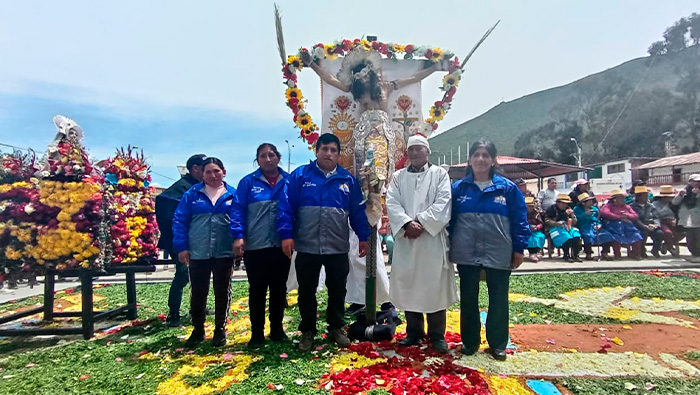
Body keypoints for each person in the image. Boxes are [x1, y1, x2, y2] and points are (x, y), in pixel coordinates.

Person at [277, 133, 370, 352]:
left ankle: (336, 328)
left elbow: (357, 212)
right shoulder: (300, 176)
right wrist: (286, 235)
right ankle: (308, 330)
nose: (329, 153)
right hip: (307, 246)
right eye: (325, 149)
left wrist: (363, 236)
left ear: (338, 155)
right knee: (306, 290)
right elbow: (285, 207)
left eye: (333, 150)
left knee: (337, 289)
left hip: (337, 247)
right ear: (316, 151)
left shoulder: (348, 181)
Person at [450, 140, 529, 361]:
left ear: (494, 160)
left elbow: (520, 219)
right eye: (476, 154)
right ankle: (470, 341)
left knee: (499, 299)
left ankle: (498, 344)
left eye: (486, 155)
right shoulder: (458, 189)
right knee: (468, 299)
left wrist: (519, 248)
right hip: (466, 252)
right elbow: (449, 221)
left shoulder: (508, 188)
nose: (481, 159)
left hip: (499, 251)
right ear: (470, 159)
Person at [386, 135, 457, 353]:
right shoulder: (398, 177)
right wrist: (407, 224)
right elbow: (392, 202)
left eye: (419, 149)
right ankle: (414, 332)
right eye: (412, 150)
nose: (415, 153)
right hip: (408, 241)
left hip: (432, 242)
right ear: (407, 153)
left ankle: (437, 335)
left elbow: (444, 203)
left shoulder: (440, 174)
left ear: (428, 151)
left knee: (433, 287)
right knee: (410, 285)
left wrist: (420, 223)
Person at [230, 144, 291, 349]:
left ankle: (277, 330)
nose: (268, 159)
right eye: (263, 156)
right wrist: (238, 236)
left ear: (278, 157)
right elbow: (237, 210)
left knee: (278, 289)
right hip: (255, 247)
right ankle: (257, 333)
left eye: (271, 155)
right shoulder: (248, 183)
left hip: (281, 246)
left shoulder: (290, 181)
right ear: (257, 160)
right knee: (257, 290)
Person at [173, 157, 236, 347]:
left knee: (222, 291)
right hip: (198, 252)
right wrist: (182, 247)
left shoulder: (233, 194)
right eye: (208, 171)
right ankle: (198, 328)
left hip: (223, 252)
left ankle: (219, 329)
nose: (213, 175)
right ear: (202, 174)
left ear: (224, 171)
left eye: (216, 171)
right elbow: (179, 221)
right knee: (198, 291)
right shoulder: (192, 194)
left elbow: (240, 221)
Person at [155, 154, 205, 327]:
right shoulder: (180, 189)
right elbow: (171, 216)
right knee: (182, 276)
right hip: (183, 243)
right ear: (195, 168)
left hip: (200, 241)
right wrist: (178, 242)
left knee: (199, 277)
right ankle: (173, 313)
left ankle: (198, 308)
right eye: (204, 167)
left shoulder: (201, 186)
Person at [600, 189, 643, 260]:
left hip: (628, 227)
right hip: (614, 226)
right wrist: (619, 217)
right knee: (615, 236)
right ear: (615, 199)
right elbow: (605, 213)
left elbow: (635, 215)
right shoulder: (608, 206)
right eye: (621, 198)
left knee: (637, 236)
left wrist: (628, 216)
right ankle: (617, 254)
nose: (623, 199)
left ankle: (635, 254)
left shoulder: (627, 207)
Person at [573, 193, 615, 260]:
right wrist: (585, 214)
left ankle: (605, 252)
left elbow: (598, 218)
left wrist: (599, 224)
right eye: (589, 201)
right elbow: (577, 218)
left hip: (594, 225)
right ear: (583, 203)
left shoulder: (595, 209)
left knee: (607, 234)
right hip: (584, 225)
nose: (591, 202)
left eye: (591, 200)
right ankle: (588, 253)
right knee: (587, 236)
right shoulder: (577, 209)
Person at [544, 194, 582, 262]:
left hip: (567, 227)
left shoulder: (568, 209)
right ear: (558, 202)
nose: (565, 205)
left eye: (566, 204)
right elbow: (547, 221)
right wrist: (556, 223)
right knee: (566, 237)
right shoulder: (551, 209)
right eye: (563, 203)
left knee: (576, 235)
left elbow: (574, 222)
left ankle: (576, 255)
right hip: (554, 228)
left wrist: (572, 215)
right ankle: (566, 255)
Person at [672, 174, 700, 262]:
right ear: (690, 182)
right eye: (695, 181)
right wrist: (680, 195)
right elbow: (674, 203)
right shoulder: (685, 191)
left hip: (698, 219)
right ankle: (694, 254)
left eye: (698, 182)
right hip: (687, 219)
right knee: (690, 239)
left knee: (698, 238)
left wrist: (698, 194)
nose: (697, 183)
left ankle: (698, 255)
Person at [630, 186, 663, 258]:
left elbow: (656, 217)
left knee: (660, 233)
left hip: (651, 225)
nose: (646, 197)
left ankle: (655, 249)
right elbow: (636, 220)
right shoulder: (632, 207)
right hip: (639, 226)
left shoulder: (651, 206)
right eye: (644, 195)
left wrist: (656, 225)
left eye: (647, 195)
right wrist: (645, 227)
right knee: (643, 233)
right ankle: (642, 251)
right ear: (638, 197)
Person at [652, 185, 681, 258]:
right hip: (661, 222)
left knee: (683, 232)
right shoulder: (655, 204)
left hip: (674, 222)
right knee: (667, 233)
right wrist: (667, 220)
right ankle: (671, 248)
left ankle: (667, 244)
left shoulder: (675, 204)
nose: (670, 199)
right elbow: (656, 215)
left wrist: (675, 220)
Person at [525, 197, 545, 262]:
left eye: (531, 206)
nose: (530, 208)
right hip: (525, 230)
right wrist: (528, 227)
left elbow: (541, 223)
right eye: (528, 206)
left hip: (535, 230)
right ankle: (531, 253)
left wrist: (537, 227)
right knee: (529, 238)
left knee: (540, 237)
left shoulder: (536, 213)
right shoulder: (521, 213)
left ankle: (535, 253)